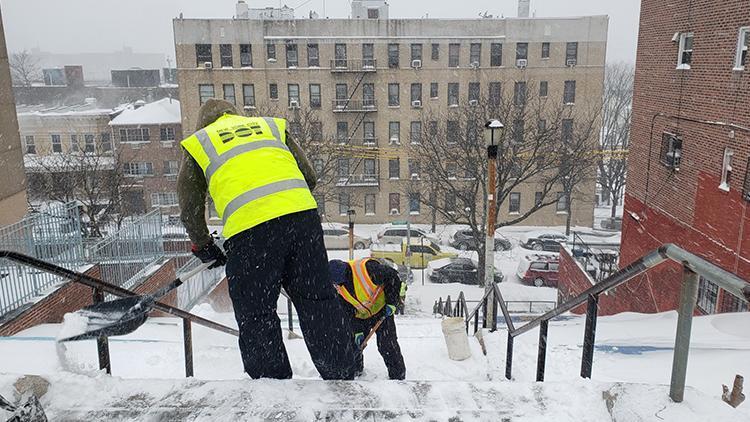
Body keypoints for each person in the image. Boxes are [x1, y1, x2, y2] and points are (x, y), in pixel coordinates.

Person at [178, 99, 357, 380]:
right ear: (235, 115)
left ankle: (273, 388)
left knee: (256, 312)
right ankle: (342, 373)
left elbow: (189, 207)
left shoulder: (202, 142)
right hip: (302, 220)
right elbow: (308, 176)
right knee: (318, 300)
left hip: (250, 232)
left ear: (203, 123)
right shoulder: (268, 127)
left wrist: (203, 245)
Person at [328, 258, 406, 380]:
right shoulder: (338, 286)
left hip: (382, 311)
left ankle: (398, 377)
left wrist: (392, 302)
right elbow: (348, 311)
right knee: (354, 344)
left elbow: (393, 276)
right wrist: (357, 331)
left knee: (387, 344)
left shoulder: (367, 269)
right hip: (361, 316)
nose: (337, 286)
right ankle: (356, 371)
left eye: (337, 283)